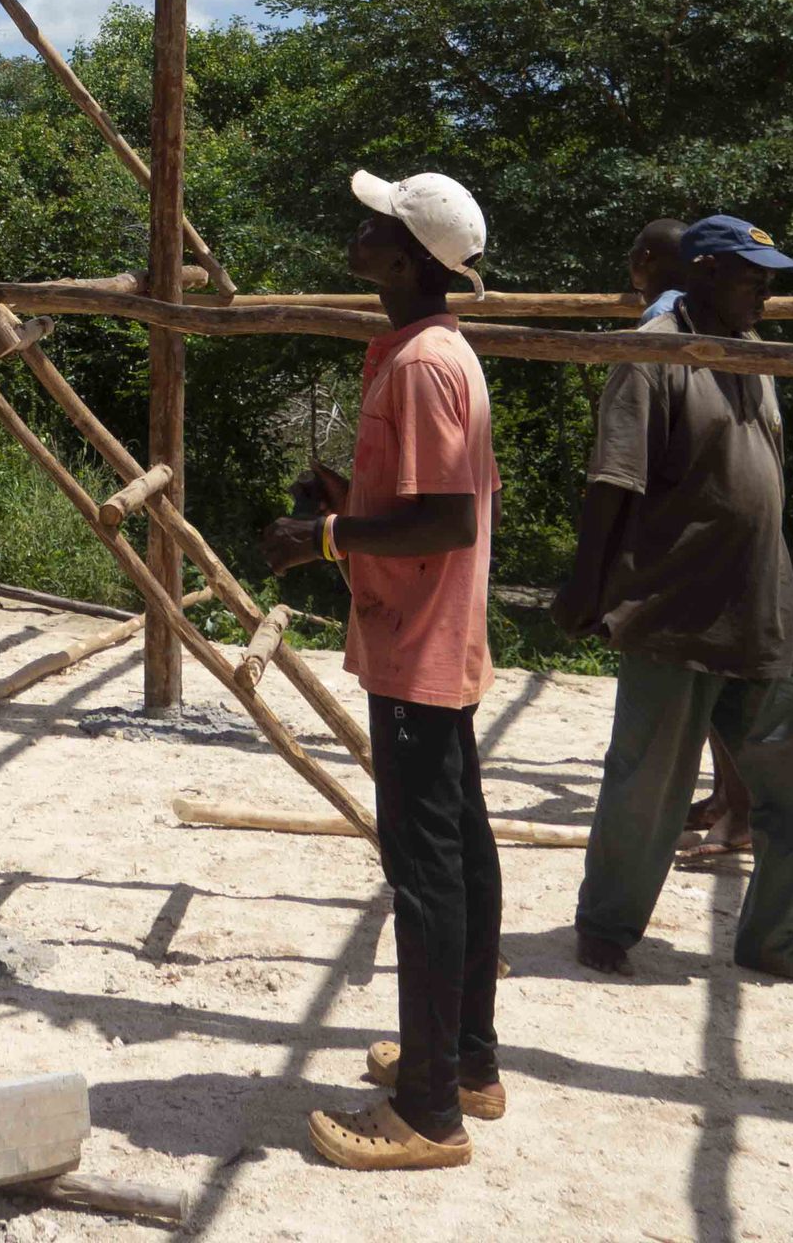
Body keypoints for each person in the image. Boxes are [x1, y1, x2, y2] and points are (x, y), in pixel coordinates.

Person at [262, 168, 502, 1173]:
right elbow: (423, 499)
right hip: (430, 638)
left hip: (416, 645)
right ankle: (467, 1064)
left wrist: (320, 535)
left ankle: (426, 1113)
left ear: (402, 258)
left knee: (424, 873)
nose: (352, 232)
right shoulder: (425, 351)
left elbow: (442, 521)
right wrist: (350, 499)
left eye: (372, 224)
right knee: (460, 854)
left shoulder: (418, 364)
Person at [553, 213, 793, 990]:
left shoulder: (753, 350)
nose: (764, 288)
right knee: (647, 784)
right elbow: (612, 480)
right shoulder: (652, 354)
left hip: (767, 608)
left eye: (767, 277)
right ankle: (607, 926)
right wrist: (586, 588)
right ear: (707, 271)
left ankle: (779, 942)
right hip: (675, 608)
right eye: (751, 274)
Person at [626, 216, 751, 862]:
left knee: (705, 684)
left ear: (645, 261)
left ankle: (735, 809)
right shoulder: (699, 319)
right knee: (712, 685)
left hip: (692, 535)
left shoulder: (669, 326)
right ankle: (727, 801)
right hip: (712, 527)